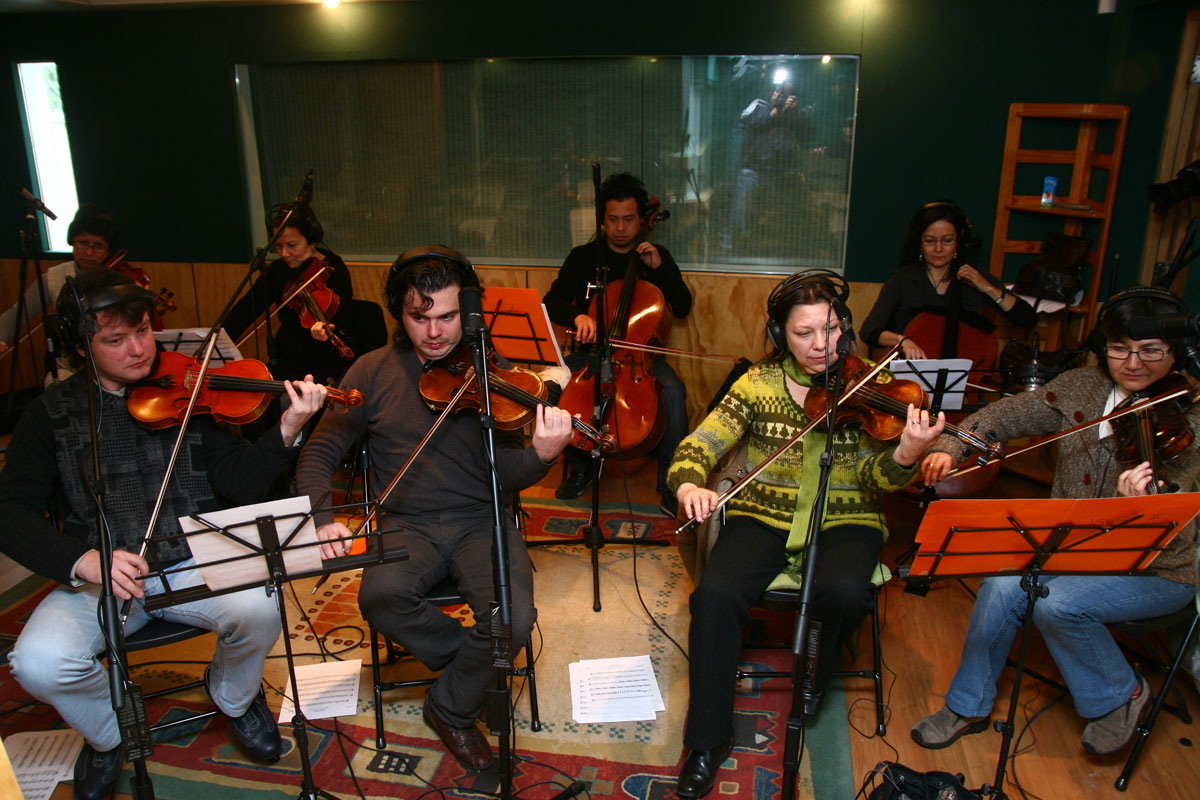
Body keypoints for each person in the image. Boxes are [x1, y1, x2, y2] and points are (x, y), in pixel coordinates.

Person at [0, 268, 329, 800]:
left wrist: (287, 428)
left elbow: (237, 478)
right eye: (115, 340)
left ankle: (234, 697)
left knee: (262, 608)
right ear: (81, 348)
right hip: (99, 578)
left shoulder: (185, 392)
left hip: (189, 559)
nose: (138, 350)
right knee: (37, 664)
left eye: (143, 331)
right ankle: (109, 734)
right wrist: (83, 560)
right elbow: (10, 513)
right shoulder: (50, 415)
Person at [668, 271, 945, 799]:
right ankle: (705, 741)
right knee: (713, 596)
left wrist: (907, 454)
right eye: (804, 333)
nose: (822, 345)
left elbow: (875, 479)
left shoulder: (872, 385)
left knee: (843, 590)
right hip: (763, 514)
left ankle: (816, 670)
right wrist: (688, 484)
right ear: (779, 335)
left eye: (832, 329)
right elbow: (700, 443)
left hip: (846, 517)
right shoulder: (757, 384)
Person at [297, 246, 574, 771]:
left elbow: (507, 475)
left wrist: (541, 455)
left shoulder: (493, 373)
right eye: (418, 317)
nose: (434, 333)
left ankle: (448, 707)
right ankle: (475, 673)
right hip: (405, 524)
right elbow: (320, 450)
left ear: (466, 312)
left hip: (481, 521)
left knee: (513, 619)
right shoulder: (371, 371)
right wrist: (322, 518)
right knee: (379, 597)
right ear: (398, 314)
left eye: (447, 317)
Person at [911, 286, 1200, 757]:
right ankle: (967, 704)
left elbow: (1179, 501)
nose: (1132, 363)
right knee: (1000, 584)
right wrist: (952, 446)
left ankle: (1122, 694)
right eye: (1119, 348)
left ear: (1176, 352)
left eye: (1150, 351)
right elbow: (1005, 416)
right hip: (1068, 553)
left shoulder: (1191, 413)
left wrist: (1145, 504)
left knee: (1056, 603)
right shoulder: (1081, 386)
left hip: (1157, 569)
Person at [543, 172, 693, 514]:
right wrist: (578, 316)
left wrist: (660, 270)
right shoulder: (584, 257)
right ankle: (581, 467)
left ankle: (672, 483)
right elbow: (552, 300)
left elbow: (683, 306)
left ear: (641, 220)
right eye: (613, 219)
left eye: (628, 219)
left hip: (641, 359)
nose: (621, 228)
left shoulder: (655, 256)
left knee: (673, 392)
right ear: (602, 220)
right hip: (590, 355)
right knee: (552, 390)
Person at [860, 200, 1037, 360]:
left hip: (966, 382)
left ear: (959, 241)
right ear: (919, 243)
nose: (938, 249)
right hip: (909, 379)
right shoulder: (902, 280)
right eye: (930, 241)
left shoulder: (973, 277)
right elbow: (869, 330)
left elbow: (1027, 319)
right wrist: (901, 340)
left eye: (947, 240)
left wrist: (988, 288)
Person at [223, 202, 360, 386]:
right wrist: (216, 341)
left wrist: (327, 332)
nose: (284, 253)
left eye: (292, 245)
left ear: (311, 240)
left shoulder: (333, 271)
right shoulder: (277, 271)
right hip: (286, 359)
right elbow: (246, 310)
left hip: (322, 361)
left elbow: (344, 322)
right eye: (278, 246)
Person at [0, 205, 118, 375]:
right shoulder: (54, 277)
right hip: (69, 367)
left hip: (111, 365)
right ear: (72, 242)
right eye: (83, 243)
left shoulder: (117, 278)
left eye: (98, 246)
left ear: (108, 250)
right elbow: (19, 313)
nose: (89, 252)